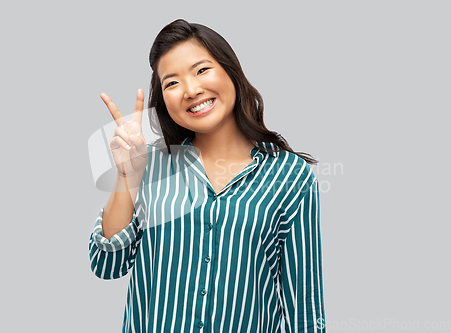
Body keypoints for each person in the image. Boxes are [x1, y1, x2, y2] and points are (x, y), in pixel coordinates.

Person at [89, 19, 326, 333]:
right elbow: (107, 265)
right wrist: (126, 175)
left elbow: (304, 308)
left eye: (202, 70)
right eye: (171, 83)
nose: (191, 90)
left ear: (231, 72)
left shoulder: (290, 177)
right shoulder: (149, 166)